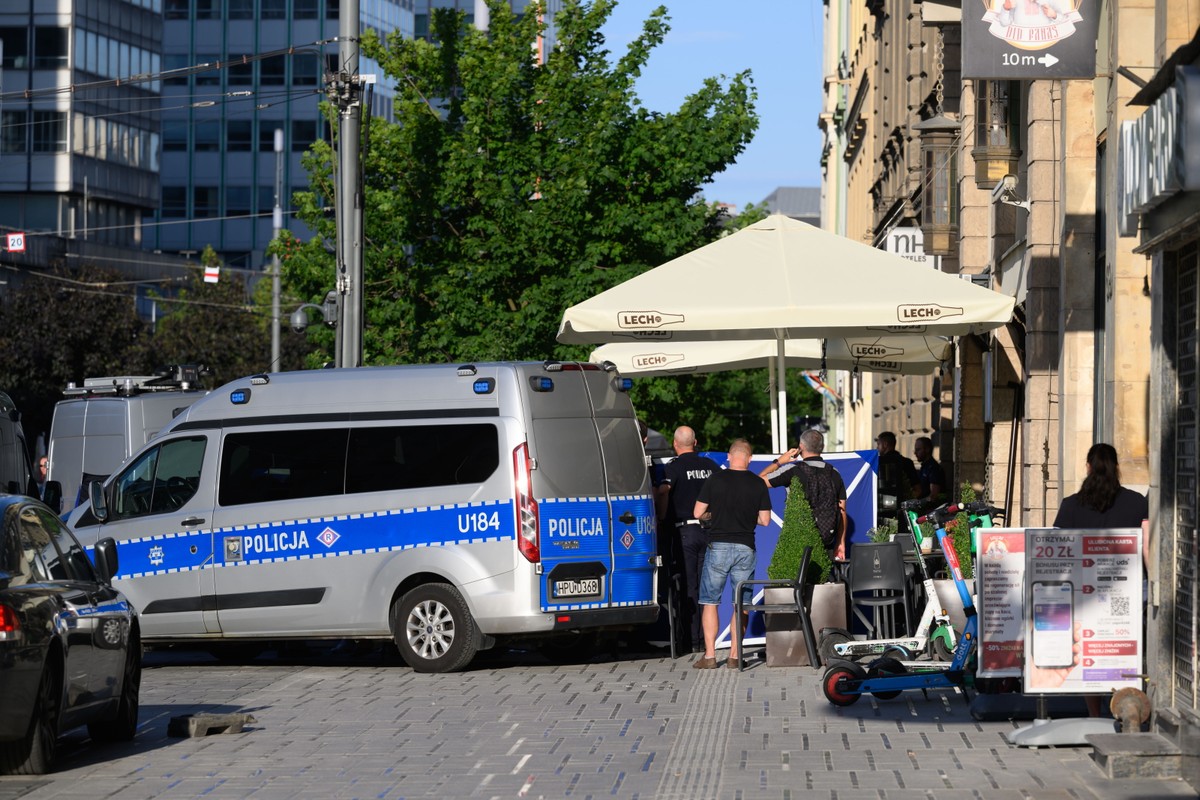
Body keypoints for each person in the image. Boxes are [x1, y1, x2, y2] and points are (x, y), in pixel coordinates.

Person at [1049, 442, 1149, 715]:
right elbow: (1147, 546)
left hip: (1084, 592)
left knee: (1089, 652)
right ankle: (1127, 709)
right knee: (1125, 648)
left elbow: (1058, 553)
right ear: (1117, 468)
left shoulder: (1070, 505)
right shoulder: (1137, 502)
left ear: (1088, 468)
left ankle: (1095, 714)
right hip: (1126, 591)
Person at [692, 439, 771, 669]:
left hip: (717, 546)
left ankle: (710, 656)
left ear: (729, 456)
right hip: (745, 547)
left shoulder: (715, 479)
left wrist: (714, 516)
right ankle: (735, 656)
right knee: (741, 603)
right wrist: (747, 517)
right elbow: (765, 520)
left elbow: (698, 512)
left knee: (710, 602)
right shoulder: (757, 483)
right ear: (750, 458)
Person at [656, 426, 720, 653]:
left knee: (689, 588)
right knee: (708, 588)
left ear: (675, 444)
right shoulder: (711, 466)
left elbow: (663, 491)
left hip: (685, 533)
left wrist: (661, 516)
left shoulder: (672, 468)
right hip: (710, 532)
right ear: (696, 442)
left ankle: (692, 642)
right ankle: (708, 641)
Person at [758, 428, 848, 561]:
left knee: (797, 580)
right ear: (822, 447)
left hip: (798, 539)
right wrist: (841, 542)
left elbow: (758, 481)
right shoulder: (834, 473)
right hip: (826, 539)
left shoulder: (793, 470)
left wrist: (779, 461)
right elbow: (842, 511)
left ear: (800, 447)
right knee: (823, 580)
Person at [876, 431, 918, 500]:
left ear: (885, 444)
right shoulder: (907, 462)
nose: (877, 447)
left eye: (878, 444)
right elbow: (917, 489)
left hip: (884, 504)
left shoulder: (879, 463)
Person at [913, 436, 946, 502]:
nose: (915, 453)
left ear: (927, 449)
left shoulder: (933, 468)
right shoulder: (924, 466)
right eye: (915, 450)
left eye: (918, 450)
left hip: (930, 509)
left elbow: (933, 495)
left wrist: (918, 503)